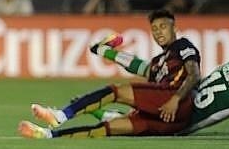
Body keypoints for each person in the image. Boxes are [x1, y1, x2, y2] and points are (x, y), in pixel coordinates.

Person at [19, 9, 201, 137]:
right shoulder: (159, 61)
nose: (158, 32)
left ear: (174, 28)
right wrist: (104, 52)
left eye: (163, 26)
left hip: (174, 101)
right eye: (154, 29)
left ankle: (60, 116)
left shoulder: (181, 45)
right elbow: (140, 67)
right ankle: (49, 135)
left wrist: (175, 99)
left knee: (115, 91)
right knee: (107, 129)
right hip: (163, 117)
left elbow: (194, 74)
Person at [21, 57, 229, 139]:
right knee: (116, 127)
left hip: (178, 103)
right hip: (179, 122)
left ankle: (60, 120)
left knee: (119, 112)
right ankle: (53, 128)